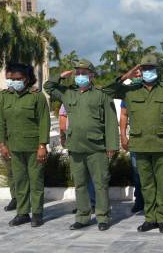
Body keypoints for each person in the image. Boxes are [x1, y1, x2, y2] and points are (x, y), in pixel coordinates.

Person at [103, 54, 163, 233]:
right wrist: (126, 76)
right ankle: (150, 218)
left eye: (151, 68)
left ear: (157, 70)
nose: (148, 72)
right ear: (140, 70)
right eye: (145, 69)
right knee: (146, 184)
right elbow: (107, 91)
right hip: (140, 144)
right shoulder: (130, 90)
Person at [44, 59, 119, 231]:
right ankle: (83, 217)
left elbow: (110, 121)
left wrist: (112, 145)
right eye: (77, 73)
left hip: (97, 147)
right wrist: (61, 76)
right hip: (76, 146)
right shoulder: (68, 93)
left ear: (91, 76)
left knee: (100, 183)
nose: (80, 76)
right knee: (80, 183)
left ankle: (102, 217)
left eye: (84, 73)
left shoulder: (101, 94)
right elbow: (48, 87)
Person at [0, 63, 50, 227]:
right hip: (14, 147)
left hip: (33, 147)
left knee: (36, 181)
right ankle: (22, 213)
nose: (13, 82)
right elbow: (0, 122)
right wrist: (1, 144)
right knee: (20, 181)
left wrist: (42, 145)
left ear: (26, 79)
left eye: (18, 79)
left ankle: (37, 213)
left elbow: (44, 121)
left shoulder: (36, 96)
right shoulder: (4, 96)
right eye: (10, 79)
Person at [59, 104, 96, 213]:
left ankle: (93, 203)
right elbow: (63, 117)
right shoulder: (67, 98)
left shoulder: (93, 96)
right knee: (79, 175)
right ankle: (82, 205)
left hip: (91, 141)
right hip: (73, 141)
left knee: (92, 173)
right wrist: (62, 136)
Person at [0, 70, 16, 212]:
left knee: (23, 172)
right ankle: (15, 198)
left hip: (21, 139)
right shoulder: (1, 96)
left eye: (13, 78)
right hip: (6, 140)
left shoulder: (30, 95)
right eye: (8, 78)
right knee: (11, 172)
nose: (10, 81)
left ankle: (27, 198)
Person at [119, 100, 144, 213]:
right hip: (136, 139)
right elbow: (124, 115)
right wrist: (123, 136)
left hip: (156, 139)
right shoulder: (128, 94)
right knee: (137, 171)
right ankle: (139, 200)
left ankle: (156, 202)